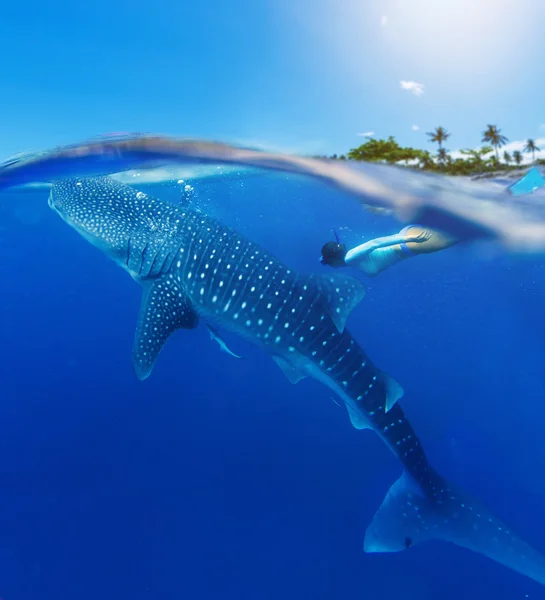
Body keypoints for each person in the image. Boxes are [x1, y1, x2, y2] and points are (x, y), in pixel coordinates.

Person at [320, 225, 458, 276]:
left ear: (334, 260)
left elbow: (374, 243)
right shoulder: (349, 261)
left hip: (410, 244)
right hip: (408, 242)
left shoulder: (349, 258)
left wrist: (409, 239)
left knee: (460, 235)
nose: (329, 266)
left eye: (328, 263)